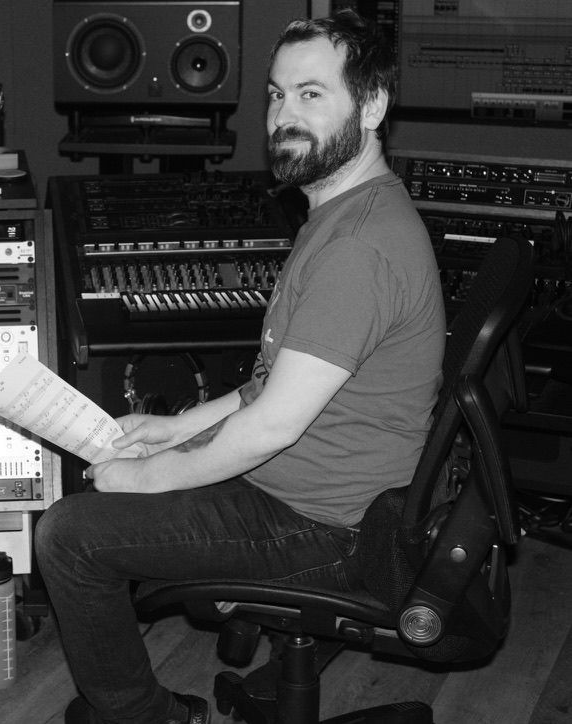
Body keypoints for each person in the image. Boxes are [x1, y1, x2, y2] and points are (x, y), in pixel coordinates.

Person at [35, 10, 446, 724]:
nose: (284, 116)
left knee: (69, 537)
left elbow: (272, 426)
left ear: (373, 105)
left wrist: (147, 477)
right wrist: (176, 430)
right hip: (317, 494)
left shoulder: (358, 249)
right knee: (125, 475)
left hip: (328, 527)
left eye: (312, 94)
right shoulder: (347, 210)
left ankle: (143, 716)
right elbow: (274, 381)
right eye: (277, 94)